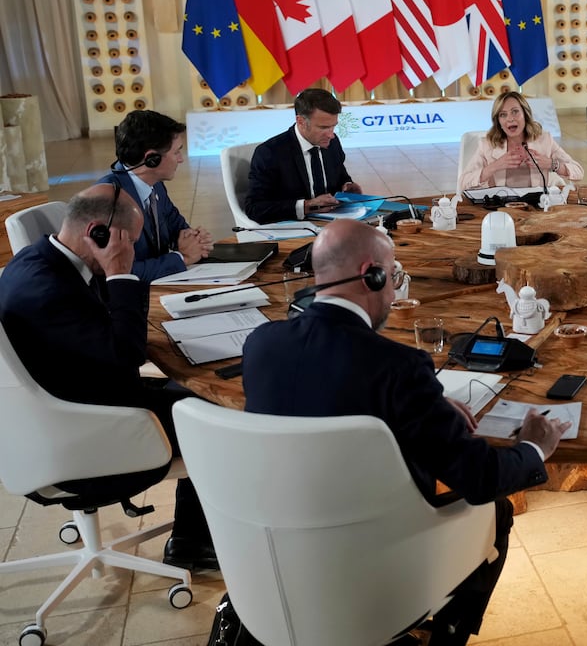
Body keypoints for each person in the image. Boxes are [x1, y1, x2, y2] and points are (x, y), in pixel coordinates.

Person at [241, 219, 569, 645]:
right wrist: (533, 447)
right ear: (370, 274)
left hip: (278, 550)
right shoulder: (398, 368)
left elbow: (322, 400)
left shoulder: (261, 344)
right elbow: (479, 478)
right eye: (393, 277)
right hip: (376, 558)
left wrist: (422, 407)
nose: (394, 292)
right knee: (498, 511)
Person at [0, 184, 217, 570]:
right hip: (81, 430)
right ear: (98, 233)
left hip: (70, 397)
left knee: (185, 388)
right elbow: (127, 355)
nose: (132, 251)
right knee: (211, 413)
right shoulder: (46, 289)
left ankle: (194, 530)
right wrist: (119, 272)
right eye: (130, 242)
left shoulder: (43, 259)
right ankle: (192, 542)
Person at [96, 110, 213, 282]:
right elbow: (122, 272)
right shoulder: (110, 202)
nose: (181, 159)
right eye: (176, 152)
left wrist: (195, 239)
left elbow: (177, 225)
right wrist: (183, 258)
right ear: (152, 159)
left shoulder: (154, 184)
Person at [245, 88, 363, 224]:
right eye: (323, 128)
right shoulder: (270, 153)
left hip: (332, 224)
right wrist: (306, 206)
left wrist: (347, 185)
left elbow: (340, 176)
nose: (331, 134)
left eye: (333, 126)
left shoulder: (332, 143)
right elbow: (254, 208)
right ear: (301, 121)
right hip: (294, 226)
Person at [459, 92, 584, 191]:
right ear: (498, 121)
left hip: (537, 206)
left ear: (525, 114)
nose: (510, 119)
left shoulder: (544, 140)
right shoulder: (487, 144)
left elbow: (578, 172)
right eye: (503, 115)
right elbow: (463, 182)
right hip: (501, 206)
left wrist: (551, 164)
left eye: (515, 112)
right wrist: (496, 166)